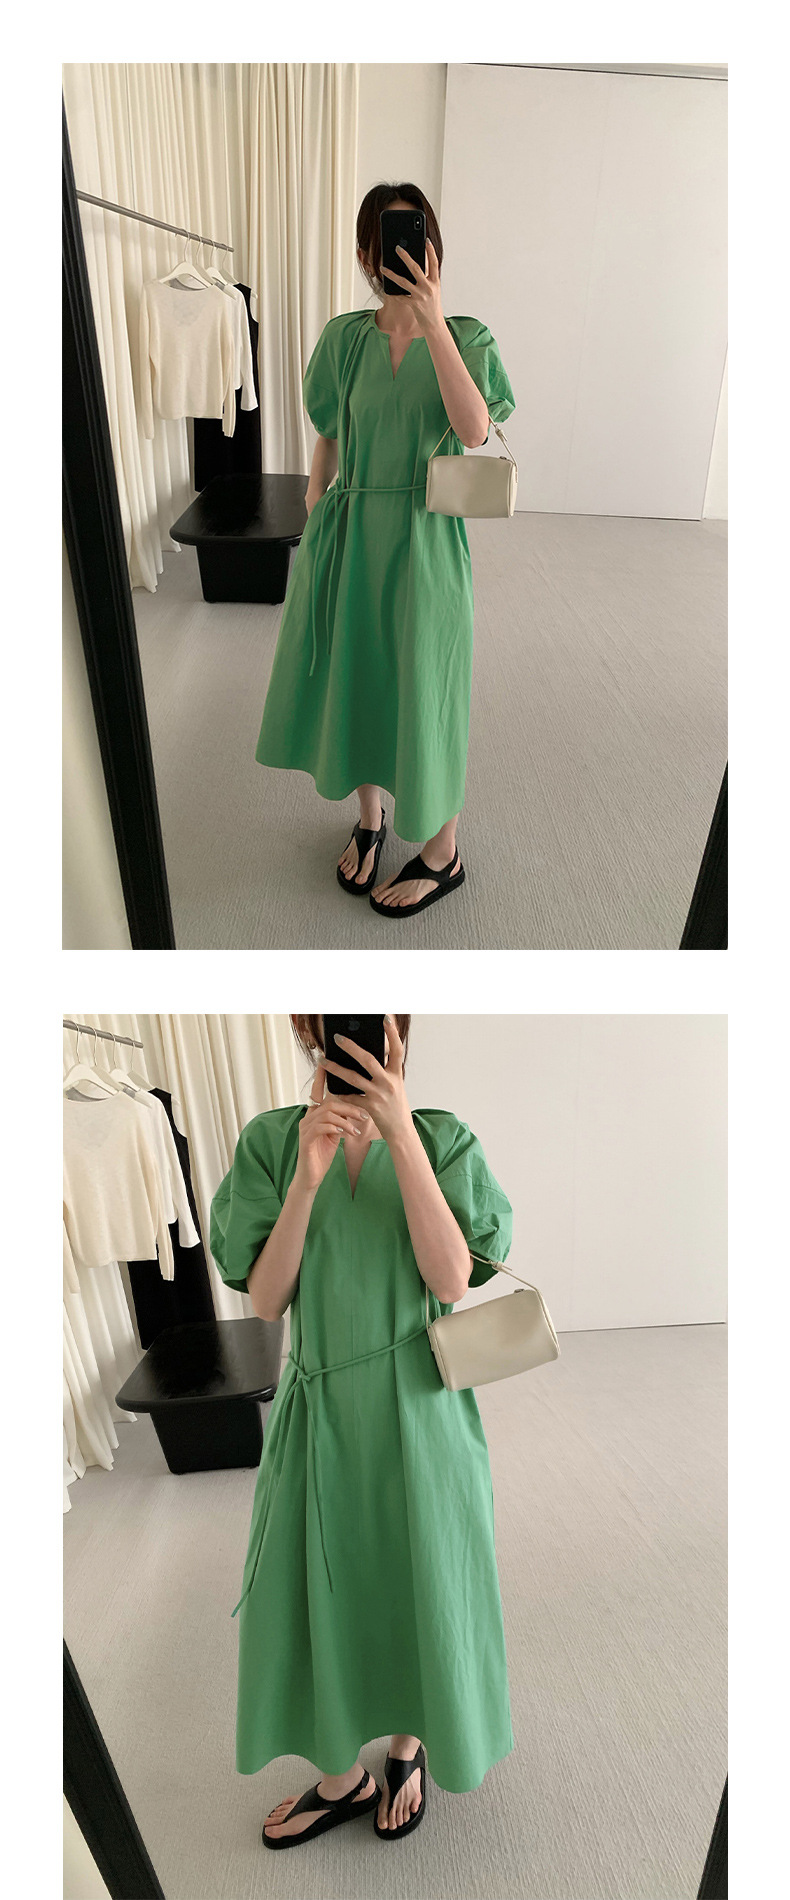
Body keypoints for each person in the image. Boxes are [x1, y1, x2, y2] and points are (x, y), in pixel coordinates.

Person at [210, 1014, 515, 1846]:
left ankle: (409, 1744)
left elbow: (451, 1279)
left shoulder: (442, 1138)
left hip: (423, 1411)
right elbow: (265, 1300)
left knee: (423, 1580)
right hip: (319, 1413)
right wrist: (306, 1179)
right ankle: (341, 1777)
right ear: (309, 1029)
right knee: (317, 1589)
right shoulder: (272, 1142)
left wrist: (401, 1134)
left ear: (398, 1032)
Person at [255, 183, 515, 919]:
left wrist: (434, 324)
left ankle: (443, 852)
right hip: (351, 530)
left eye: (414, 235)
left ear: (433, 247)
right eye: (386, 240)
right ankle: (369, 820)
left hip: (427, 538)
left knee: (427, 687)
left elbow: (474, 431)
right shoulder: (343, 338)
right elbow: (330, 431)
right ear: (368, 253)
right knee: (360, 675)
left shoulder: (468, 336)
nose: (398, 253)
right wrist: (315, 499)